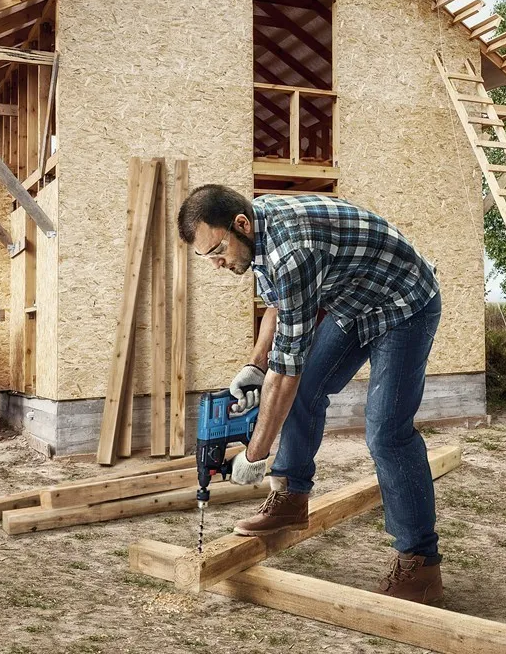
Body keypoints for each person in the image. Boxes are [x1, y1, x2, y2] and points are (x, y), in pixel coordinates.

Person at [177, 186, 444, 605]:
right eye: (205, 256)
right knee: (304, 394)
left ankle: (421, 563)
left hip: (404, 302)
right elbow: (280, 305)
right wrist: (255, 364)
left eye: (217, 250)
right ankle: (291, 497)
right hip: (353, 300)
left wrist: (254, 454)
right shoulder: (258, 231)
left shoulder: (291, 249)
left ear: (240, 225)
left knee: (386, 433)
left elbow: (288, 372)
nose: (216, 264)